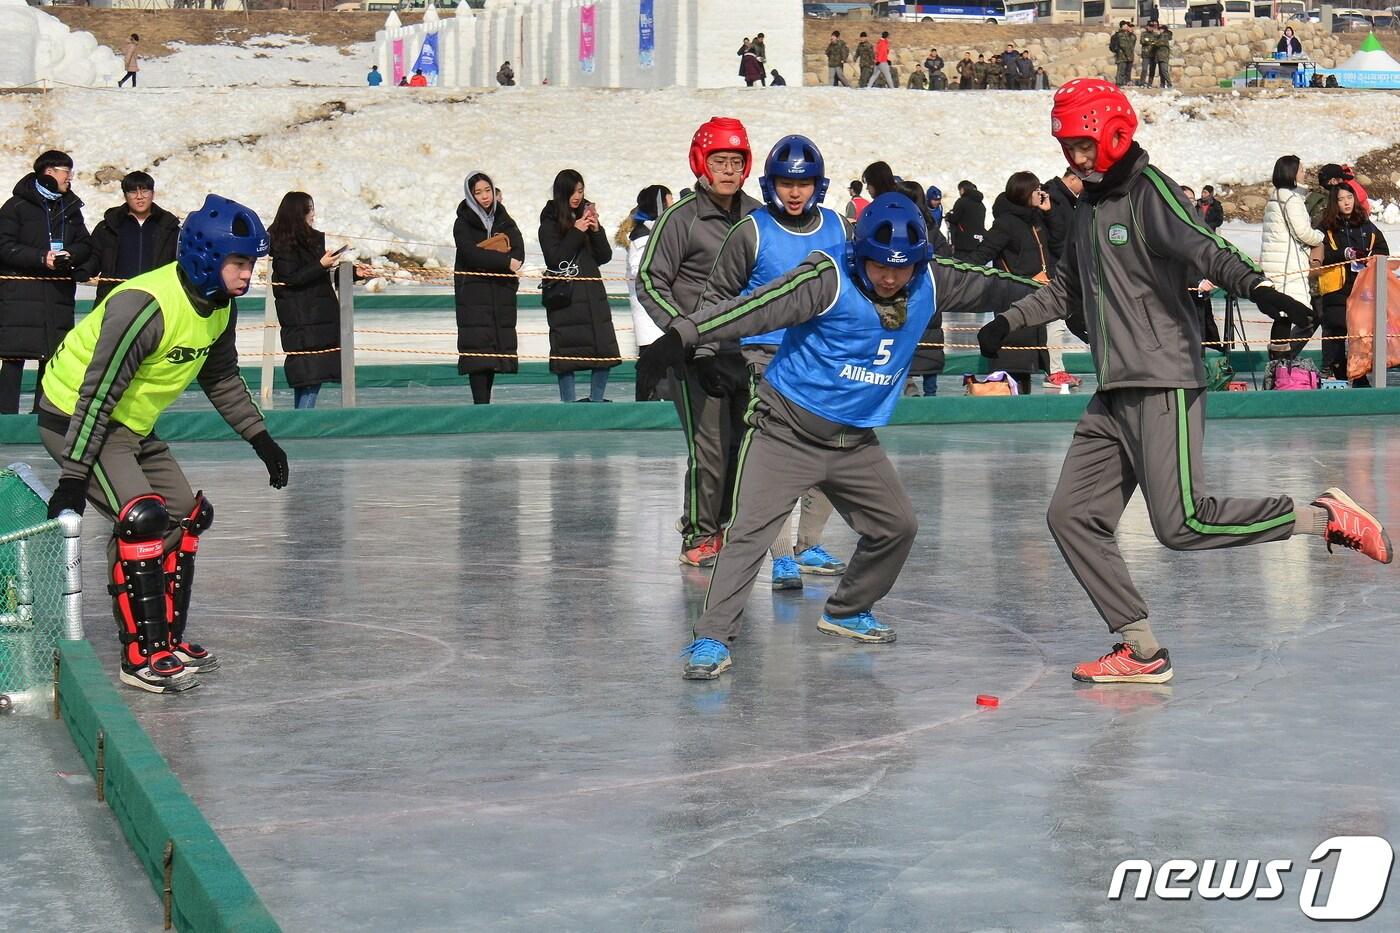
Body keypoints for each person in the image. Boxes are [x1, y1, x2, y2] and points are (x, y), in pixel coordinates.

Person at [976, 79, 1390, 686]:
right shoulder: (1089, 206)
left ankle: (1320, 516)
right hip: (1114, 389)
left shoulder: (1149, 194)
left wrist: (1261, 289)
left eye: (1084, 145)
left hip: (1164, 378)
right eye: (1068, 146)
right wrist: (1009, 321)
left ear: (1115, 134)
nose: (1075, 159)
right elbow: (1068, 288)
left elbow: (1206, 249)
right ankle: (1140, 649)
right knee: (1071, 516)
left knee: (1181, 524)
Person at [637, 194, 1038, 680]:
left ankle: (846, 611)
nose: (890, 277)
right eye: (879, 265)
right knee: (746, 536)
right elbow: (756, 307)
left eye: (902, 268)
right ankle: (711, 638)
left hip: (853, 441)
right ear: (859, 253)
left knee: (897, 526)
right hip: (785, 432)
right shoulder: (827, 277)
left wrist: (1062, 296)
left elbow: (996, 286)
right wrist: (682, 335)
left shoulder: (931, 279)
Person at [39, 194, 290, 693]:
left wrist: (260, 438)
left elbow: (221, 378)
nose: (247, 276)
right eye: (238, 263)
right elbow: (98, 391)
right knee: (140, 517)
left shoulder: (219, 308)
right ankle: (138, 657)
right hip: (75, 417)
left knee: (185, 515)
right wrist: (72, 477)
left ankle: (166, 639)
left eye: (251, 264)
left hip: (130, 425)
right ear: (205, 257)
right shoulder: (145, 305)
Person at [700, 135, 852, 590]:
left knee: (829, 453)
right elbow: (716, 297)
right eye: (786, 182)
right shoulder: (751, 230)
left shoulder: (841, 228)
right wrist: (708, 351)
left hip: (824, 358)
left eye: (803, 183)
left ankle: (809, 544)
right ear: (771, 184)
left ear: (818, 186)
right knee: (779, 460)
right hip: (765, 358)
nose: (794, 192)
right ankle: (781, 555)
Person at [636, 117, 761, 567]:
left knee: (743, 445)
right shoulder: (681, 219)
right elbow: (650, 279)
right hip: (694, 354)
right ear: (700, 163)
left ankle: (723, 525)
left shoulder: (757, 216)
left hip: (746, 352)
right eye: (719, 161)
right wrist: (679, 335)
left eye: (736, 161)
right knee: (709, 447)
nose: (728, 170)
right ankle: (699, 535)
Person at [0, 150, 92, 415]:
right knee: (13, 357)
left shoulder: (70, 207)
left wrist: (69, 256)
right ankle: (6, 418)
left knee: (51, 357)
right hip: (20, 295)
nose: (69, 178)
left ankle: (43, 416)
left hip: (57, 295)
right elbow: (4, 246)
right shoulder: (14, 206)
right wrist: (42, 258)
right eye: (66, 172)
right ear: (49, 172)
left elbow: (85, 244)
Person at [968, 172, 1054, 395]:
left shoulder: (1036, 219)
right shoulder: (1006, 223)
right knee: (1012, 362)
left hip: (1036, 298)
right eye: (1036, 189)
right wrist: (954, 272)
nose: (1040, 192)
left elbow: (1058, 243)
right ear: (1025, 192)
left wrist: (1049, 213)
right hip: (1013, 298)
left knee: (1026, 363)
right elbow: (983, 253)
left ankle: (1021, 403)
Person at [1294, 184, 1388, 384]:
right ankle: (1336, 372)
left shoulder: (1366, 225)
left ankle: (1359, 375)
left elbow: (1382, 249)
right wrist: (1343, 254)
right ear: (1334, 203)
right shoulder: (1325, 227)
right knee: (1335, 329)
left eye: (1349, 197)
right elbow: (1319, 253)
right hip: (1335, 286)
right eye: (1341, 199)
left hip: (1362, 286)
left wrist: (1369, 258)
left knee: (1360, 333)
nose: (1346, 202)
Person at [538, 170, 617, 403]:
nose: (577, 196)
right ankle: (568, 403)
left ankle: (597, 400)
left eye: (580, 191)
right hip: (567, 297)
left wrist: (596, 230)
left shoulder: (584, 216)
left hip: (593, 295)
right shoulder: (550, 222)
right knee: (566, 355)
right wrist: (576, 231)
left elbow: (604, 256)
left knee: (604, 350)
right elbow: (555, 260)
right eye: (572, 191)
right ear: (561, 193)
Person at [453, 170, 523, 405]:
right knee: (478, 352)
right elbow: (471, 255)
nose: (484, 196)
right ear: (470, 195)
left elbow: (518, 251)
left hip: (499, 295)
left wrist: (499, 257)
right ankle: (480, 404)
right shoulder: (463, 222)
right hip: (474, 295)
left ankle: (485, 403)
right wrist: (504, 261)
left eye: (487, 191)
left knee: (493, 352)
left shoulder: (503, 218)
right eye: (478, 192)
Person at [268, 192, 343, 410]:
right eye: (310, 208)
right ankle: (303, 419)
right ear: (299, 211)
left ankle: (301, 417)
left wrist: (353, 273)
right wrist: (320, 264)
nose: (313, 214)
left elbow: (318, 275)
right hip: (304, 319)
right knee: (310, 379)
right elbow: (292, 276)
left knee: (309, 379)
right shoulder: (284, 244)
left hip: (315, 317)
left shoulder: (307, 240)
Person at [80, 171, 180, 306]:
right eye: (133, 192)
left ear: (153, 194)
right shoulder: (108, 226)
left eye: (144, 191)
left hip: (156, 300)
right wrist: (84, 270)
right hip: (115, 297)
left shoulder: (169, 228)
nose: (140, 197)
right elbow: (95, 256)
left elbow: (179, 264)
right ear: (125, 196)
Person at [1260, 155, 1322, 358]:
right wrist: (1319, 237)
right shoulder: (1291, 200)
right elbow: (1303, 232)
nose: (1304, 173)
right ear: (1292, 172)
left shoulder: (1276, 197)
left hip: (1275, 264)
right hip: (1288, 266)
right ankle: (1282, 361)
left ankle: (1278, 360)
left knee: (1282, 317)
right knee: (1298, 314)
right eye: (1301, 169)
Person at [617, 185, 672, 401]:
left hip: (657, 312)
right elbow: (642, 271)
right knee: (651, 361)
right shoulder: (642, 238)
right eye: (669, 200)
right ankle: (646, 401)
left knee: (658, 359)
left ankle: (656, 397)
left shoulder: (653, 233)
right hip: (649, 313)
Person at [1042, 168, 1084, 388]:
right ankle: (1055, 372)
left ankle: (1055, 370)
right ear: (1073, 178)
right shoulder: (1057, 199)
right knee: (1055, 321)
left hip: (1060, 267)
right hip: (1055, 269)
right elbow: (1058, 238)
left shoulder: (1065, 198)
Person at [945, 180, 986, 260]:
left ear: (962, 189)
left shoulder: (962, 201)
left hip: (963, 243)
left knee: (960, 268)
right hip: (978, 242)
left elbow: (954, 219)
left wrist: (949, 216)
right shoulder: (981, 205)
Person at [1110, 21, 1136, 87]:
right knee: (1121, 71)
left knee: (1127, 71)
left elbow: (1131, 45)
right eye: (1126, 26)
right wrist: (1128, 56)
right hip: (1122, 56)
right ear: (1122, 26)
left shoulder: (1128, 34)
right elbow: (1123, 46)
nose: (1127, 27)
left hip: (1128, 56)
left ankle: (1124, 82)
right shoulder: (1120, 35)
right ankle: (1119, 84)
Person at [1153, 23, 1173, 88]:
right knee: (1161, 71)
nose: (1159, 30)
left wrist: (1154, 41)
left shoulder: (1164, 35)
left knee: (1164, 71)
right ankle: (1162, 84)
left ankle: (1169, 84)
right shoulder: (1160, 36)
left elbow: (1158, 43)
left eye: (1160, 29)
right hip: (1159, 56)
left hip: (1163, 56)